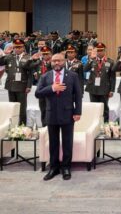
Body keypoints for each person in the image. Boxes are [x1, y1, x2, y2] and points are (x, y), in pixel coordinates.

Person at [35, 53, 82, 181]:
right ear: (51, 62)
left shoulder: (72, 75)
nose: (56, 63)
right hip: (51, 114)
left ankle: (66, 167)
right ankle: (54, 168)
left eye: (59, 60)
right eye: (54, 61)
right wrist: (52, 88)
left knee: (67, 142)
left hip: (68, 114)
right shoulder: (45, 76)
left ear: (64, 61)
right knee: (53, 142)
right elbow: (38, 93)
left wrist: (78, 112)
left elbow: (78, 95)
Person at [0, 39, 39, 125]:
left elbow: (30, 73)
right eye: (15, 47)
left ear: (23, 47)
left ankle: (22, 126)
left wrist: (29, 86)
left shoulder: (28, 57)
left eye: (19, 47)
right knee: (12, 107)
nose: (17, 49)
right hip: (11, 85)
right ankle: (13, 125)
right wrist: (4, 53)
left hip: (22, 86)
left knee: (22, 108)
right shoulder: (9, 56)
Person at [84, 43, 115, 122]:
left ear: (105, 51)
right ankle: (94, 124)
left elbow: (112, 77)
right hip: (93, 88)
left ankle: (105, 124)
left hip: (104, 89)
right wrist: (91, 59)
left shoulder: (110, 61)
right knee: (94, 107)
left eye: (101, 50)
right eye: (98, 50)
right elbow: (85, 69)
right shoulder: (92, 60)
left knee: (104, 108)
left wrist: (112, 90)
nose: (99, 52)